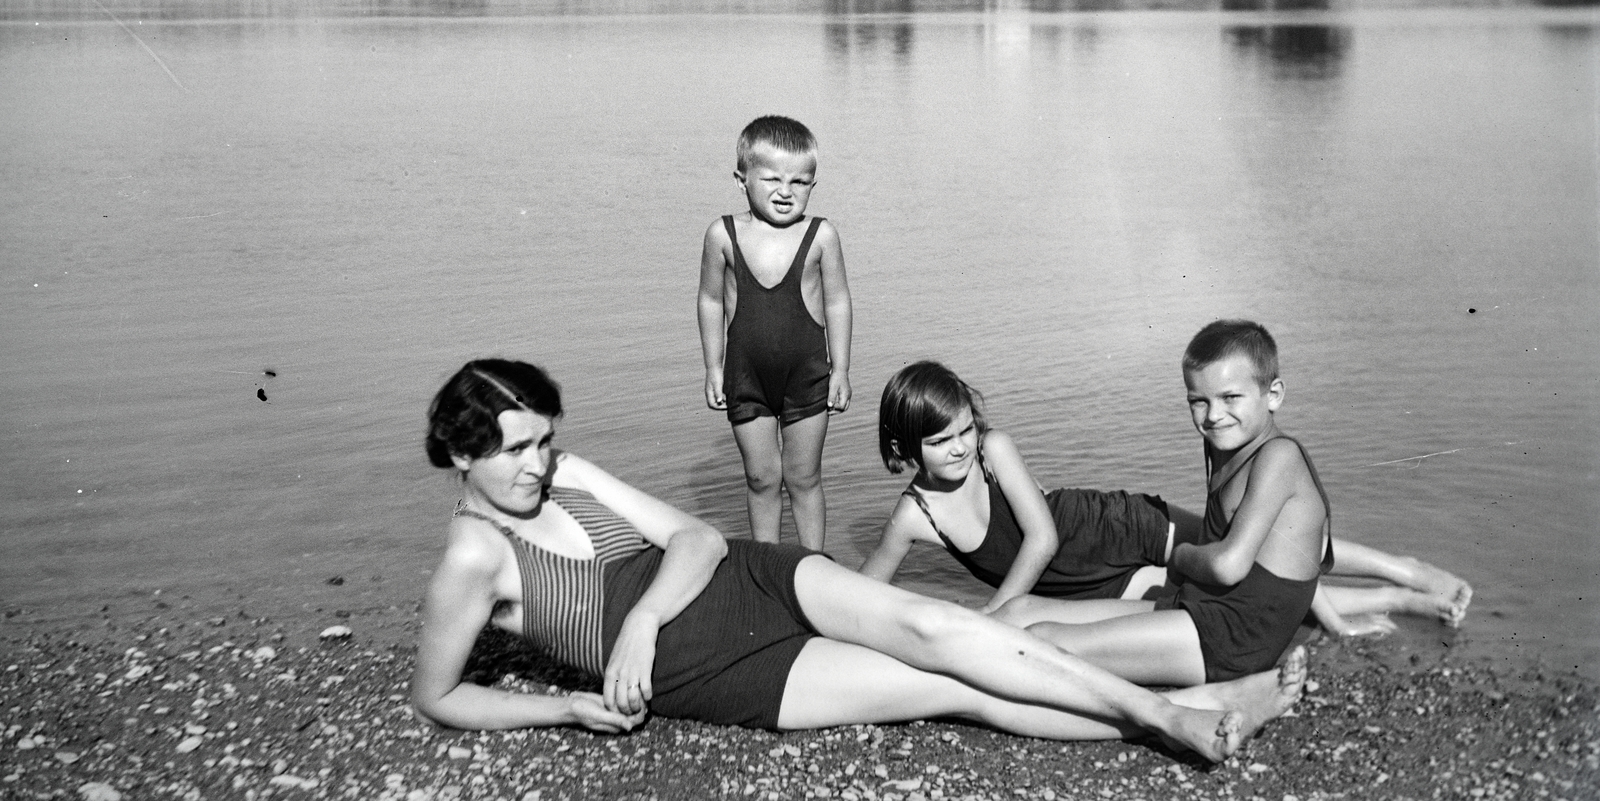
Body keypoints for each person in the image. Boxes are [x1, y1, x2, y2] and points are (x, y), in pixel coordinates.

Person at [410, 359, 1307, 761]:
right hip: (713, 668)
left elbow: (699, 536)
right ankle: (1186, 713)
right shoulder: (470, 560)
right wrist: (568, 705)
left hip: (747, 577)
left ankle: (1175, 708)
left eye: (542, 442)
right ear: (460, 455)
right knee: (952, 687)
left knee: (938, 624)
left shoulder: (570, 471)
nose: (538, 462)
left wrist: (639, 615)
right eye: (514, 449)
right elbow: (438, 695)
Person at [863, 361, 1472, 639]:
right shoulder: (912, 517)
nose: (962, 448)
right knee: (1226, 592)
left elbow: (1043, 538)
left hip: (1114, 529)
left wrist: (991, 616)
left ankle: (1402, 571)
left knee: (1259, 553)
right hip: (1076, 587)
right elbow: (867, 590)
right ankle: (1388, 601)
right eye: (942, 441)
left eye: (965, 430)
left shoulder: (996, 448)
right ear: (905, 448)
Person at [697, 116, 852, 550]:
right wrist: (713, 366)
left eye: (800, 182)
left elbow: (838, 301)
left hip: (807, 376)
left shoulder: (820, 235)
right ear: (741, 179)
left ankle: (812, 566)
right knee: (761, 478)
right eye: (772, 179)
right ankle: (767, 565)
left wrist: (840, 368)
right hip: (746, 379)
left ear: (813, 184)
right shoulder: (722, 235)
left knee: (804, 478)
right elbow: (710, 301)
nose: (786, 191)